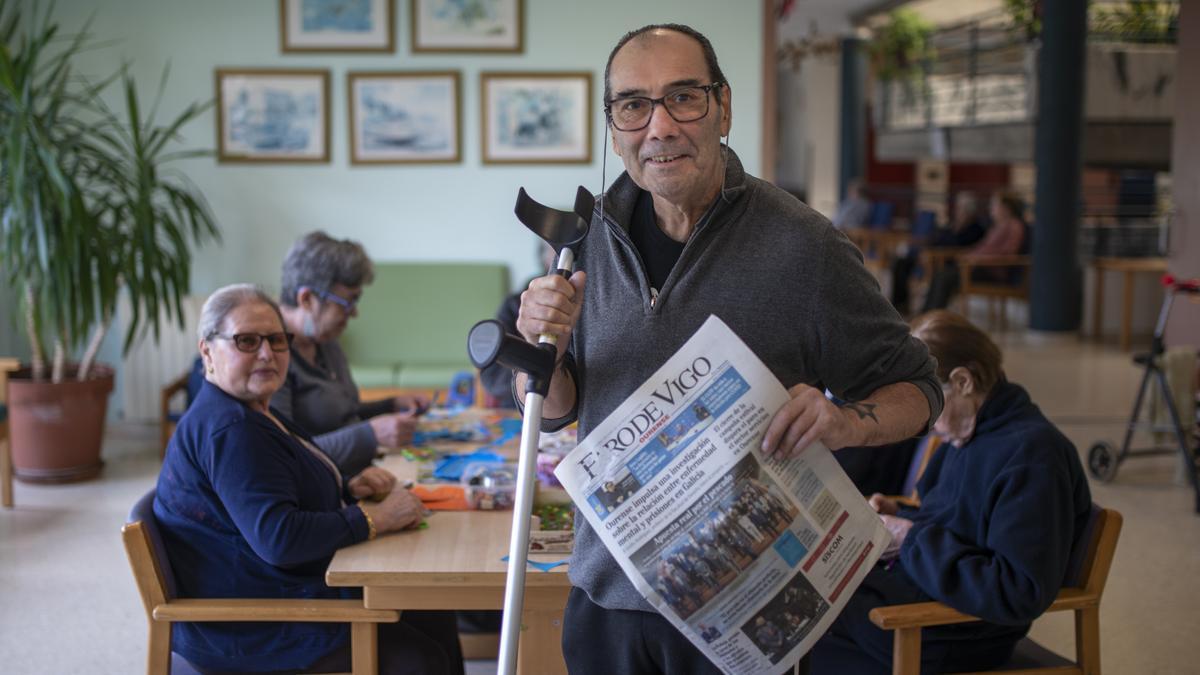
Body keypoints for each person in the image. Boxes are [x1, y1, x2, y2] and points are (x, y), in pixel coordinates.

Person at [515, 24, 942, 675]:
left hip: (743, 611)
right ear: (613, 125)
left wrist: (844, 421)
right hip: (607, 601)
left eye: (683, 97)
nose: (658, 126)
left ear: (724, 107)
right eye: (633, 105)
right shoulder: (585, 240)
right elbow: (550, 409)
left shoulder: (804, 246)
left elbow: (919, 388)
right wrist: (538, 348)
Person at [154, 284, 463, 674]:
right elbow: (279, 539)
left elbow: (276, 486)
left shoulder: (250, 409)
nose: (266, 353)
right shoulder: (230, 429)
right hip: (251, 623)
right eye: (246, 341)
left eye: (277, 340)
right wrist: (373, 519)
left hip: (267, 589)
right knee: (421, 660)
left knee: (432, 609)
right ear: (207, 351)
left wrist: (348, 485)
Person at [811, 310, 1092, 674]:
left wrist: (909, 538)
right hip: (930, 602)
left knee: (806, 637)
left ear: (962, 381)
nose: (921, 422)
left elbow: (1017, 591)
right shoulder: (968, 436)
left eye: (926, 400)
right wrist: (900, 514)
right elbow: (959, 526)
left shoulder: (1034, 457)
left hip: (958, 633)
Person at [274, 231, 428, 476]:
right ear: (307, 299)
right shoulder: (271, 357)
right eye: (348, 301)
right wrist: (372, 434)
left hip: (359, 476)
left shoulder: (325, 341)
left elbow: (343, 413)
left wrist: (390, 405)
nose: (354, 313)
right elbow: (285, 454)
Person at [920, 191, 1029, 312]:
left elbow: (1009, 253)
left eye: (994, 205)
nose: (991, 209)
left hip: (992, 272)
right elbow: (982, 247)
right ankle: (925, 315)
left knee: (945, 278)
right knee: (940, 274)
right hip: (977, 267)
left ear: (1006, 208)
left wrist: (977, 259)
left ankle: (932, 316)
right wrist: (968, 255)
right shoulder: (998, 226)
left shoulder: (1014, 226)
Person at [479, 242, 557, 408]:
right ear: (544, 260)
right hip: (521, 409)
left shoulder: (601, 306)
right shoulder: (515, 305)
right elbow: (493, 380)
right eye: (556, 250)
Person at [889, 190, 986, 314]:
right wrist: (924, 250)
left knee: (940, 274)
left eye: (961, 208)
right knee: (900, 262)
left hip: (946, 261)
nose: (957, 211)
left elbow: (962, 248)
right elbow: (936, 239)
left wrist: (932, 254)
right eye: (958, 208)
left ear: (969, 211)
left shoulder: (976, 229)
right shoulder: (952, 225)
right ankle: (900, 306)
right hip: (930, 256)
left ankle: (927, 313)